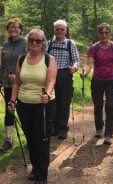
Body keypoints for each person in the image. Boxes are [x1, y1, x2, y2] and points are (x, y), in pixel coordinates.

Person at [8, 29, 57, 183]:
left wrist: (47, 94)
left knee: (42, 140)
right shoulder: (21, 59)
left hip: (43, 105)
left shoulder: (49, 59)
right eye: (31, 40)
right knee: (31, 139)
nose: (34, 43)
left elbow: (51, 81)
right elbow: (17, 82)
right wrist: (12, 100)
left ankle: (41, 177)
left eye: (38, 40)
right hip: (24, 105)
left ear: (43, 43)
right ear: (28, 42)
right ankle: (36, 167)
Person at [80, 23, 113, 145]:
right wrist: (84, 72)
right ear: (98, 34)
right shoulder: (93, 48)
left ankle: (108, 134)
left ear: (109, 33)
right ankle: (99, 128)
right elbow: (89, 64)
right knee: (98, 106)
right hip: (97, 80)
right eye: (101, 32)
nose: (104, 34)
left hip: (111, 80)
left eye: (106, 32)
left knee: (110, 106)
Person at [48, 19, 80, 139]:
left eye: (62, 29)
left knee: (64, 102)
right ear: (54, 30)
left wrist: (74, 68)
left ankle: (62, 128)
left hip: (65, 75)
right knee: (51, 102)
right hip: (50, 75)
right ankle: (52, 127)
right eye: (57, 29)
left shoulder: (70, 44)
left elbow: (77, 60)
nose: (60, 31)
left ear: (65, 30)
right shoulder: (49, 43)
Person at [0, 18, 26, 152]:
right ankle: (8, 140)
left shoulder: (26, 43)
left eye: (16, 27)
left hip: (23, 84)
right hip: (7, 83)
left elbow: (30, 62)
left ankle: (29, 137)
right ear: (7, 30)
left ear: (20, 29)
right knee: (9, 111)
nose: (13, 29)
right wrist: (1, 79)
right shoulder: (6, 44)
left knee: (24, 112)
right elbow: (2, 64)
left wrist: (18, 75)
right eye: (10, 27)